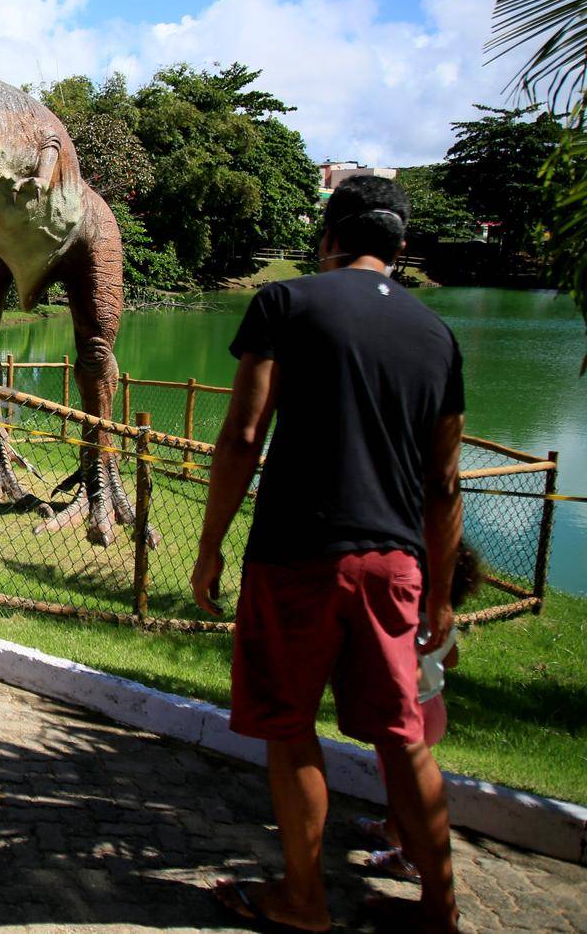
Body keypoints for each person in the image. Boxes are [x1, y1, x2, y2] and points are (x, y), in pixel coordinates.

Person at [190, 175, 465, 933]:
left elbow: (244, 435)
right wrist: (439, 592)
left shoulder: (287, 303)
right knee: (402, 735)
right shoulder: (439, 336)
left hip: (297, 553)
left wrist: (210, 547)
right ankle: (440, 912)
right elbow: (444, 483)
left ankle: (303, 899)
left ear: (329, 236)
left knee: (289, 724)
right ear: (401, 248)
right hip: (397, 561)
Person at [360, 544, 483, 882]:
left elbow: (402, 671)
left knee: (404, 787)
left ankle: (410, 858)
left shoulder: (405, 623)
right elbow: (452, 659)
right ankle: (391, 829)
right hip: (435, 708)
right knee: (406, 782)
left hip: (408, 715)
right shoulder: (444, 623)